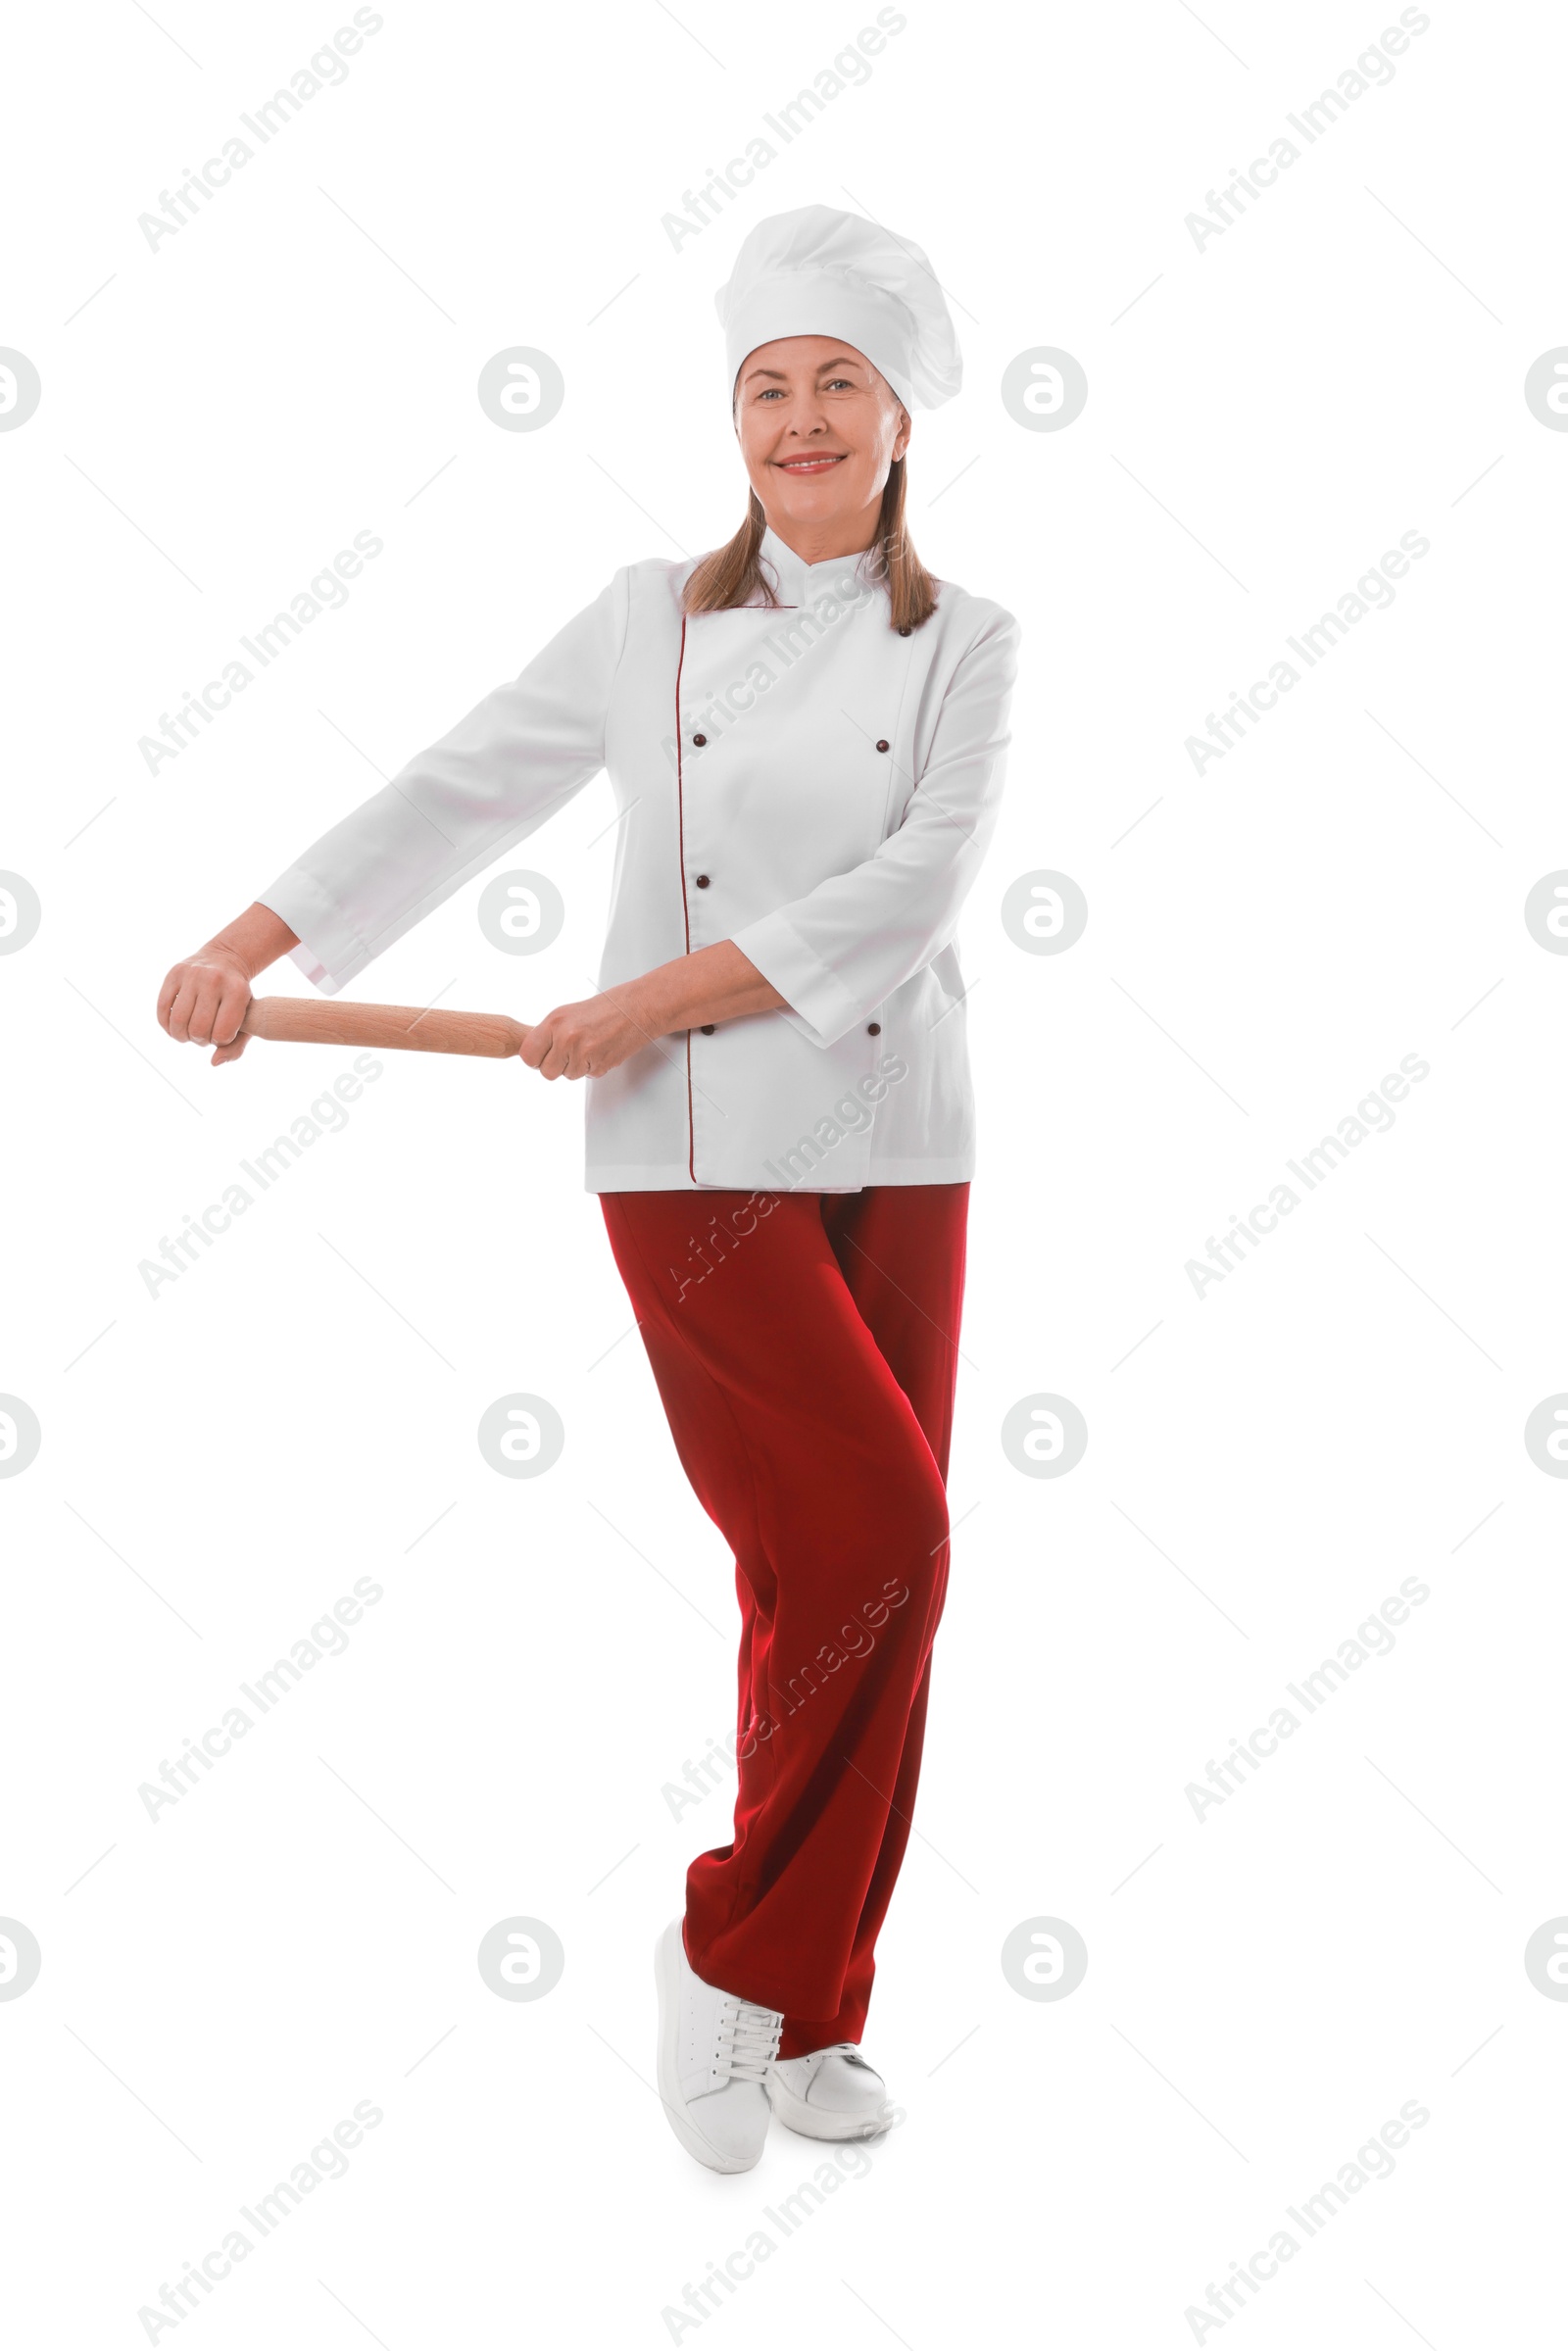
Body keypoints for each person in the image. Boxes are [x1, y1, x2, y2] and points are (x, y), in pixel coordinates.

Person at [156, 203, 1021, 2175]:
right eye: (764, 389)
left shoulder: (972, 643)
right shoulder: (645, 617)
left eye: (835, 386)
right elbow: (459, 783)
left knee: (839, 1577)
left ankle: (809, 2014)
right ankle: (734, 1954)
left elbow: (911, 892)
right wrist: (244, 943)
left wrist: (646, 987)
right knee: (881, 1535)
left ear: (899, 419)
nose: (798, 419)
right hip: (688, 1155)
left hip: (899, 1138)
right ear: (734, 426)